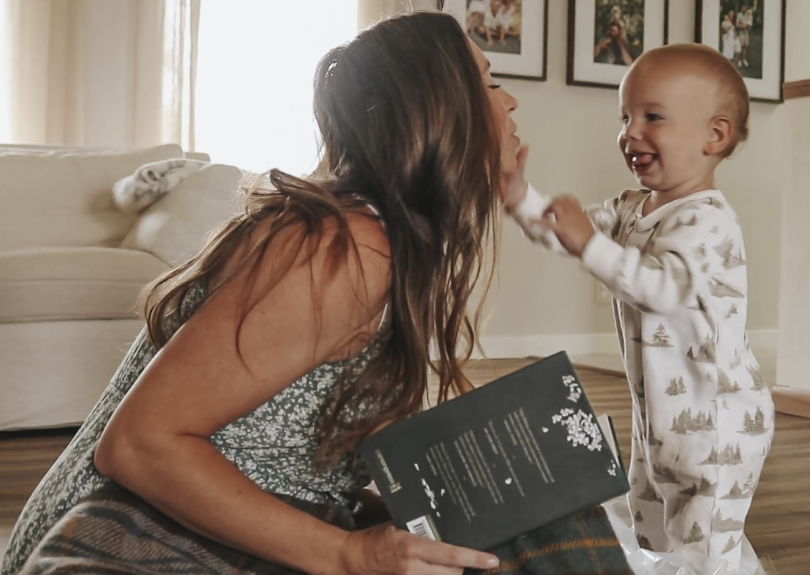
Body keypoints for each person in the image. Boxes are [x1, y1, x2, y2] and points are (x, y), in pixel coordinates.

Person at [2, 11, 522, 575]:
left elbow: (289, 466)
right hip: (118, 543)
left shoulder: (386, 247)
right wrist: (348, 554)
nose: (511, 102)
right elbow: (137, 445)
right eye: (490, 83)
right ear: (441, 112)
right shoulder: (346, 248)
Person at [503, 43, 774, 571]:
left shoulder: (708, 220)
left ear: (713, 136)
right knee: (651, 531)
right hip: (660, 419)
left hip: (720, 427)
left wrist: (590, 243)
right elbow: (567, 233)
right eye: (625, 117)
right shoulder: (631, 206)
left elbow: (661, 289)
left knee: (704, 548)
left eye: (653, 117)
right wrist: (521, 198)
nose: (631, 132)